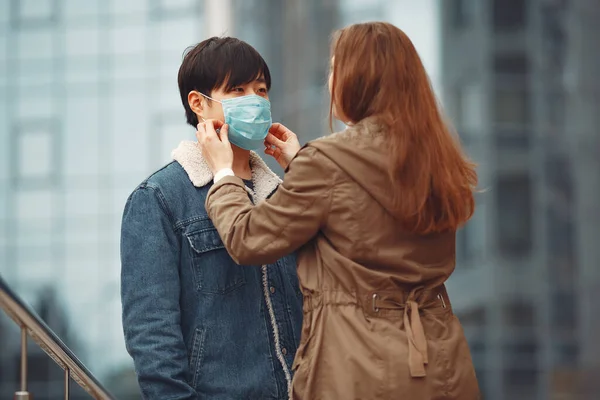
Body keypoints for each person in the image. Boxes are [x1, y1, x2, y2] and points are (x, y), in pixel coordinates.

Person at [197, 22, 481, 399]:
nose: (330, 81)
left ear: (356, 80)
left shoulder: (329, 162)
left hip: (359, 364)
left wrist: (222, 173)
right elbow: (362, 220)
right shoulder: (435, 161)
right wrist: (302, 165)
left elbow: (249, 238)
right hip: (442, 363)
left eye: (334, 69)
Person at [120, 37, 303, 400]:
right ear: (198, 103)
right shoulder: (159, 199)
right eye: (237, 89)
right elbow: (153, 340)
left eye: (261, 89)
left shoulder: (286, 193)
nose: (255, 100)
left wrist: (303, 171)